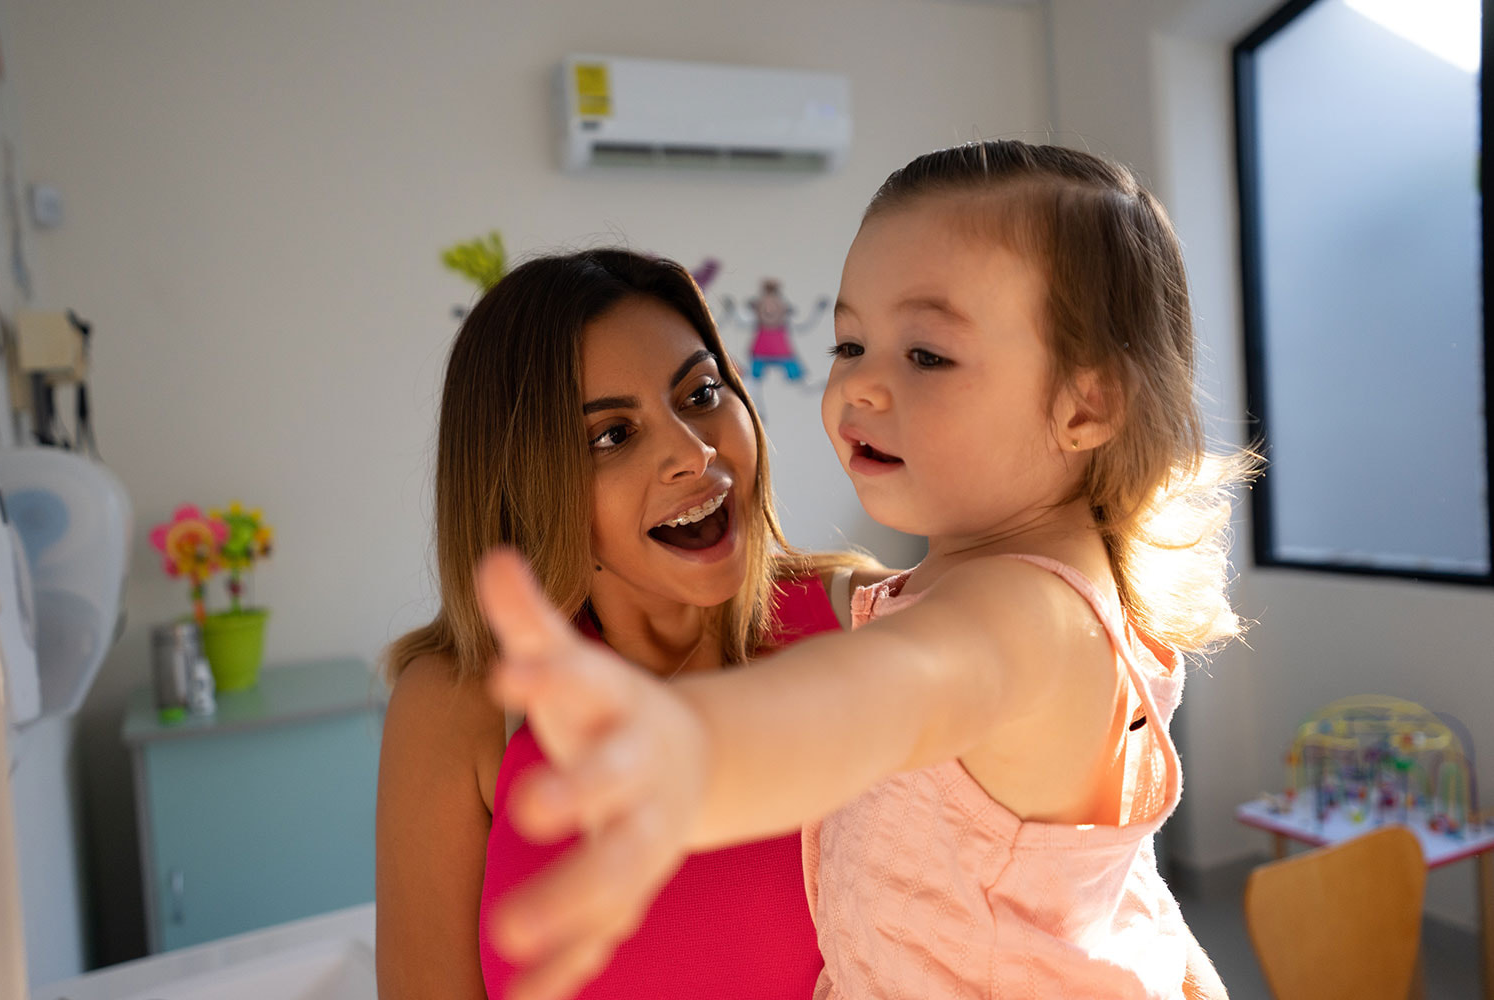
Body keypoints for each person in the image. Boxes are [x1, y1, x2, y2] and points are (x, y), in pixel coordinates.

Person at [478, 140, 1251, 999]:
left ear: (1086, 404)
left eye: (925, 355)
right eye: (850, 344)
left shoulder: (1024, 613)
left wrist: (699, 750)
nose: (861, 389)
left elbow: (887, 691)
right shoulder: (1021, 594)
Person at [375, 248, 885, 1000]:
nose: (693, 451)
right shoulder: (459, 704)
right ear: (528, 486)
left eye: (702, 392)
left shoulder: (867, 621)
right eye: (612, 435)